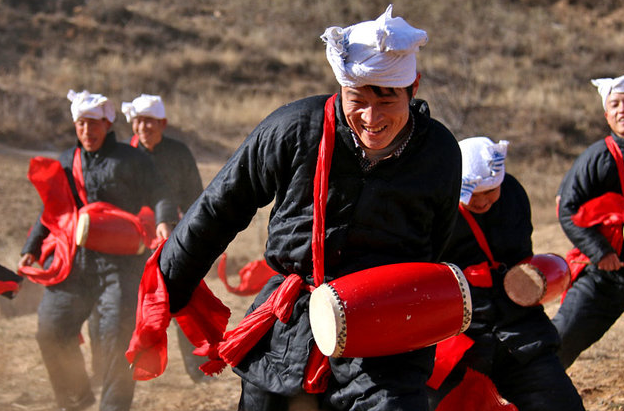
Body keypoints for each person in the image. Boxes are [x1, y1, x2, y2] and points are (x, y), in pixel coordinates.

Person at [156, 5, 462, 410]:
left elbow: (434, 247)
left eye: (387, 98)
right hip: (290, 323)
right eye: (358, 99)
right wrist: (165, 292)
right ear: (341, 90)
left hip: (387, 332)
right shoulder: (296, 128)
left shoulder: (438, 153)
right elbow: (222, 205)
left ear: (413, 87)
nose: (371, 117)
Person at [18, 90, 177, 411]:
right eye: (80, 124)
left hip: (121, 266)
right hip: (75, 264)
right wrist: (32, 246)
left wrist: (163, 221)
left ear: (106, 123)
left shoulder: (132, 159)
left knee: (116, 341)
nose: (87, 131)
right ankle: (76, 397)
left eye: (93, 124)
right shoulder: (66, 161)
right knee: (51, 329)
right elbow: (53, 210)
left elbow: (161, 191)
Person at [426, 137, 585, 411]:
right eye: (472, 194)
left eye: (490, 192)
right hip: (458, 338)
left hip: (520, 331)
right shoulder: (435, 201)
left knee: (561, 402)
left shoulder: (512, 194)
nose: (482, 201)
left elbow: (520, 255)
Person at [120, 93, 207, 382]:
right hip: (133, 242)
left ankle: (199, 370)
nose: (144, 127)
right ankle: (133, 365)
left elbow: (195, 194)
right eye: (139, 121)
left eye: (150, 121)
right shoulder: (127, 155)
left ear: (163, 123)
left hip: (174, 236)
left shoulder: (179, 152)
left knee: (183, 300)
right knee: (136, 304)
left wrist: (194, 233)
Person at [553, 74, 624, 369]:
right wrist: (601, 252)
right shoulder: (598, 158)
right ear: (606, 114)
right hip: (605, 271)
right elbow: (567, 208)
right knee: (561, 338)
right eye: (615, 104)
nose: (622, 110)